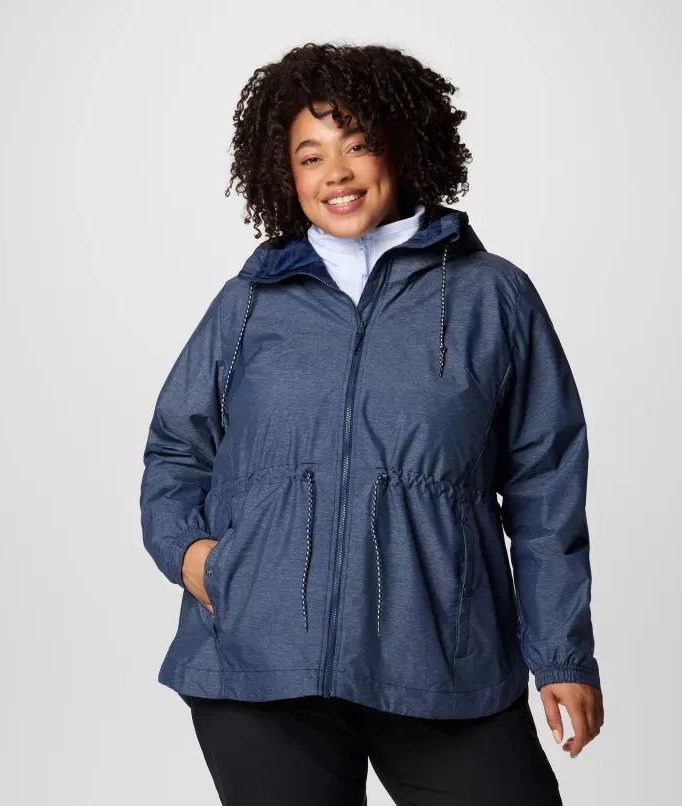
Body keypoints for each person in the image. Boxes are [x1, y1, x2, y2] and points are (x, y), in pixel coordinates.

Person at [140, 42, 604, 806]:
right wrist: (194, 557)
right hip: (262, 668)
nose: (336, 173)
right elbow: (175, 451)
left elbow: (545, 483)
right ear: (285, 175)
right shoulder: (248, 303)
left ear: (403, 148)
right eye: (311, 156)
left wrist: (561, 654)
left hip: (442, 660)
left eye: (358, 145)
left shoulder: (493, 297)